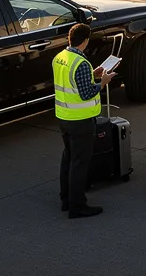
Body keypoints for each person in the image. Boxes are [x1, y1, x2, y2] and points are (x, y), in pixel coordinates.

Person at [53, 23, 113, 218]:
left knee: (68, 158)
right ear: (85, 40)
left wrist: (92, 74)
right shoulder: (81, 63)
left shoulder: (60, 57)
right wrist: (102, 82)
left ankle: (65, 199)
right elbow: (86, 93)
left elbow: (70, 83)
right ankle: (77, 206)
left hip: (63, 116)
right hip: (80, 120)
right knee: (80, 163)